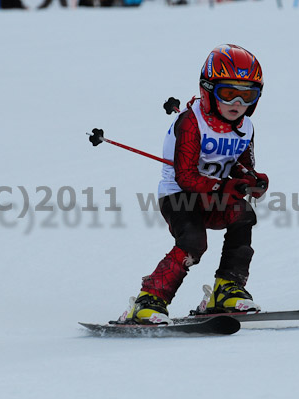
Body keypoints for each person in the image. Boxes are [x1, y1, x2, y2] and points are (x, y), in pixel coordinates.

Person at [124, 44, 269, 324]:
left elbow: (241, 164)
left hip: (212, 196)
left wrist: (252, 180)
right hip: (180, 196)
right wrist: (226, 186)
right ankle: (148, 301)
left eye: (247, 95)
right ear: (207, 89)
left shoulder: (246, 126)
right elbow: (186, 177)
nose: (237, 103)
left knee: (244, 215)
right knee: (193, 242)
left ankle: (227, 289)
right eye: (228, 93)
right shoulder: (191, 123)